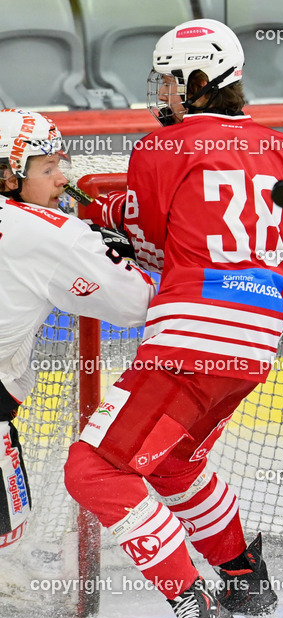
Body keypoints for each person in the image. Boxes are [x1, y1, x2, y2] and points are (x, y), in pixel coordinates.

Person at [63, 19, 283, 618]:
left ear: (195, 82)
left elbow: (151, 252)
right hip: (247, 353)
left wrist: (110, 220)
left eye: (167, 79)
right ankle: (243, 577)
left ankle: (196, 604)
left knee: (94, 468)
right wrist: (267, 314)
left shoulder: (159, 149)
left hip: (186, 345)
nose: (160, 92)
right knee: (172, 463)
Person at [0, 109, 155, 556]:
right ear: (11, 177)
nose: (61, 180)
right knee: (8, 530)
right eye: (47, 169)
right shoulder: (48, 232)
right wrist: (119, 255)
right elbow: (134, 304)